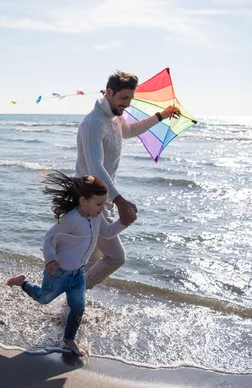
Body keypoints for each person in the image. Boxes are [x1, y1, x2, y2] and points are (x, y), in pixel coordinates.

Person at [6, 171, 130, 356]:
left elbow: (109, 232)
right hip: (58, 272)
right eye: (98, 204)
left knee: (78, 308)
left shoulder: (97, 216)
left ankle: (69, 338)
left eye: (104, 203)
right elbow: (50, 237)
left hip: (78, 274)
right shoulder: (71, 219)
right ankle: (22, 282)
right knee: (43, 299)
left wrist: (125, 222)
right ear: (83, 201)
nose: (102, 208)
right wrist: (50, 259)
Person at [76, 70, 180, 289]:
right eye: (123, 98)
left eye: (130, 99)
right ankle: (74, 297)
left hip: (103, 198)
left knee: (92, 259)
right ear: (109, 92)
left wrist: (161, 115)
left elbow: (131, 131)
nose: (127, 105)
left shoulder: (115, 118)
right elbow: (96, 166)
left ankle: (73, 304)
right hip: (87, 200)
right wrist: (120, 200)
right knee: (115, 257)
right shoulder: (93, 123)